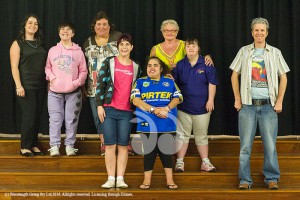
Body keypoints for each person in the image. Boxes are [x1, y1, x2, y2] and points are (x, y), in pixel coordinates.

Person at [230, 17, 290, 190]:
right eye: (256, 30)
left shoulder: (275, 52)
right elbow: (234, 75)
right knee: (245, 147)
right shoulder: (244, 51)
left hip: (268, 107)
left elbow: (283, 76)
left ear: (267, 33)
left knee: (270, 146)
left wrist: (279, 101)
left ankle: (272, 178)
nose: (259, 33)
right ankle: (244, 180)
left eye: (262, 30)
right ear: (252, 32)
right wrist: (237, 98)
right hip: (247, 106)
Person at [96, 34, 141, 188]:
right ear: (118, 46)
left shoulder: (136, 67)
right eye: (121, 44)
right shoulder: (109, 62)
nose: (124, 47)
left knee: (123, 145)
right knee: (109, 145)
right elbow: (100, 84)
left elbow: (138, 89)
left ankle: (120, 178)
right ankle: (110, 178)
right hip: (109, 109)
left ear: (132, 47)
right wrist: (99, 105)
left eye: (127, 44)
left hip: (127, 112)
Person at [131, 56, 183, 190]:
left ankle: (170, 181)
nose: (152, 68)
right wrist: (154, 110)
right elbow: (136, 101)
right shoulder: (140, 82)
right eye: (149, 65)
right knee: (149, 153)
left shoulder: (170, 82)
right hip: (147, 123)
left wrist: (166, 108)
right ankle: (146, 181)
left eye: (155, 65)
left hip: (167, 122)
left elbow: (178, 98)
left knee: (166, 153)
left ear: (161, 69)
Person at [172, 38, 218, 172]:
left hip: (202, 108)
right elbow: (172, 82)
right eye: (188, 46)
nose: (191, 48)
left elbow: (212, 83)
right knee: (182, 135)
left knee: (201, 136)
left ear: (198, 48)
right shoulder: (180, 65)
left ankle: (205, 162)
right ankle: (180, 162)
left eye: (193, 46)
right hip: (183, 108)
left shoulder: (206, 63)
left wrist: (211, 100)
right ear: (185, 49)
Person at [45, 22, 88, 156]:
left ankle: (69, 145)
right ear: (59, 33)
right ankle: (54, 146)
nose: (65, 31)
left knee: (71, 120)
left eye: (68, 30)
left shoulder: (78, 52)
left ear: (72, 34)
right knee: (55, 120)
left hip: (73, 93)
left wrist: (76, 83)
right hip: (54, 92)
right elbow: (47, 67)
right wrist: (52, 78)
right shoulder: (53, 50)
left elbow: (84, 71)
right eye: (62, 29)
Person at [83, 11, 122, 156]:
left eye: (104, 24)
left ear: (109, 26)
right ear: (94, 26)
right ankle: (105, 144)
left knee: (117, 115)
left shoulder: (118, 37)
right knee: (98, 117)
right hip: (94, 88)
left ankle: (121, 144)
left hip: (116, 87)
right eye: (98, 24)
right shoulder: (87, 42)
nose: (101, 27)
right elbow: (84, 65)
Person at [10, 14, 47, 157]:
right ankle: (24, 146)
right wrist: (19, 86)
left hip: (41, 85)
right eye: (30, 23)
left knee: (37, 116)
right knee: (29, 116)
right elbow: (14, 67)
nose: (33, 26)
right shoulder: (17, 43)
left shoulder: (40, 43)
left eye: (36, 24)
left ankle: (34, 144)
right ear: (25, 25)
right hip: (25, 86)